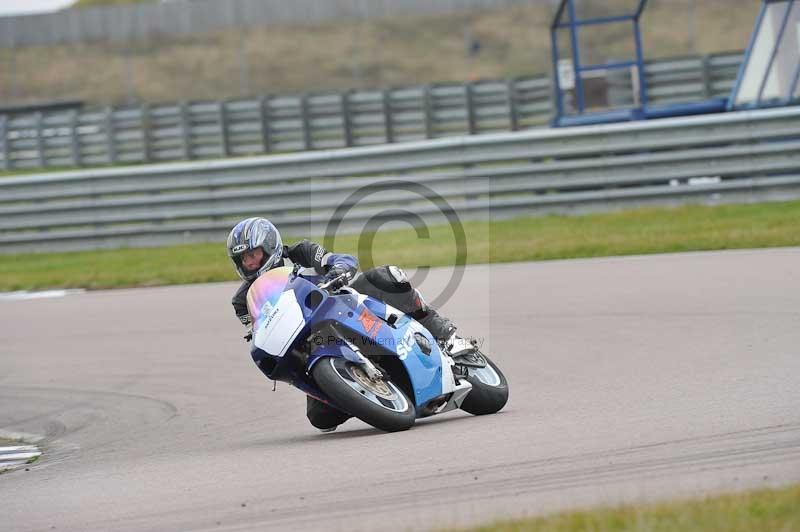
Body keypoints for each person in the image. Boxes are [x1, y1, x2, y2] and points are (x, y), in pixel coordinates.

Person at [227, 216, 475, 432]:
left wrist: (340, 270)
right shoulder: (243, 300)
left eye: (253, 254)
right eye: (243, 259)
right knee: (320, 419)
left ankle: (446, 338)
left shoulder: (301, 253)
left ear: (271, 246)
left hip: (345, 305)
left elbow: (340, 259)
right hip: (311, 339)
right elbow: (257, 327)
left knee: (385, 277)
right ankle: (366, 390)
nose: (249, 263)